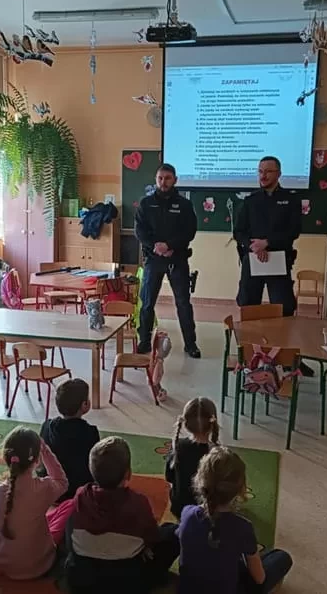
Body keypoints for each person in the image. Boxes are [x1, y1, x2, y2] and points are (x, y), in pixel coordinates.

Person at [65, 436, 180, 594]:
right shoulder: (138, 503)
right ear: (128, 473)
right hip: (128, 582)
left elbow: (70, 531)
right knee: (173, 532)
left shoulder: (80, 497)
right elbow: (152, 536)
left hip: (82, 578)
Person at [177, 447, 293, 594]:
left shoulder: (187, 513)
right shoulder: (243, 527)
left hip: (188, 589)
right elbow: (259, 578)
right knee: (281, 557)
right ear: (241, 488)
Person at [0, 427, 73, 580]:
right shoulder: (43, 488)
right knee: (70, 505)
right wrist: (45, 450)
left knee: (38, 517)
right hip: (41, 564)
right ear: (37, 460)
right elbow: (62, 481)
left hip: (5, 565)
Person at [134, 163, 201, 358]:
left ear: (175, 180)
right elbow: (140, 230)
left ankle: (190, 344)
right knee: (147, 302)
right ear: (156, 180)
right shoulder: (146, 203)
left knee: (183, 303)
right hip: (153, 259)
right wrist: (156, 246)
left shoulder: (184, 205)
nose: (163, 182)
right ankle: (144, 341)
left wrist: (170, 246)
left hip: (177, 259)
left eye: (168, 178)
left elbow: (189, 231)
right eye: (160, 178)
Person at [233, 156, 302, 315]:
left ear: (279, 174)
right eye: (260, 171)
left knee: (283, 308)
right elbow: (238, 232)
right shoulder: (250, 200)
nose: (263, 176)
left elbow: (293, 231)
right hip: (253, 258)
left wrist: (267, 242)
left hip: (279, 259)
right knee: (248, 306)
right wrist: (255, 247)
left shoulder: (291, 200)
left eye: (268, 172)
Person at [39, 378, 100, 501]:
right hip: (79, 491)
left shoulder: (47, 427)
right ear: (84, 405)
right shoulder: (90, 432)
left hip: (52, 488)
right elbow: (95, 464)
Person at [165, 397, 220, 519]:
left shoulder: (178, 445)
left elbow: (169, 477)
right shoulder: (217, 453)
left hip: (180, 508)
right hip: (207, 511)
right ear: (212, 423)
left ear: (186, 424)